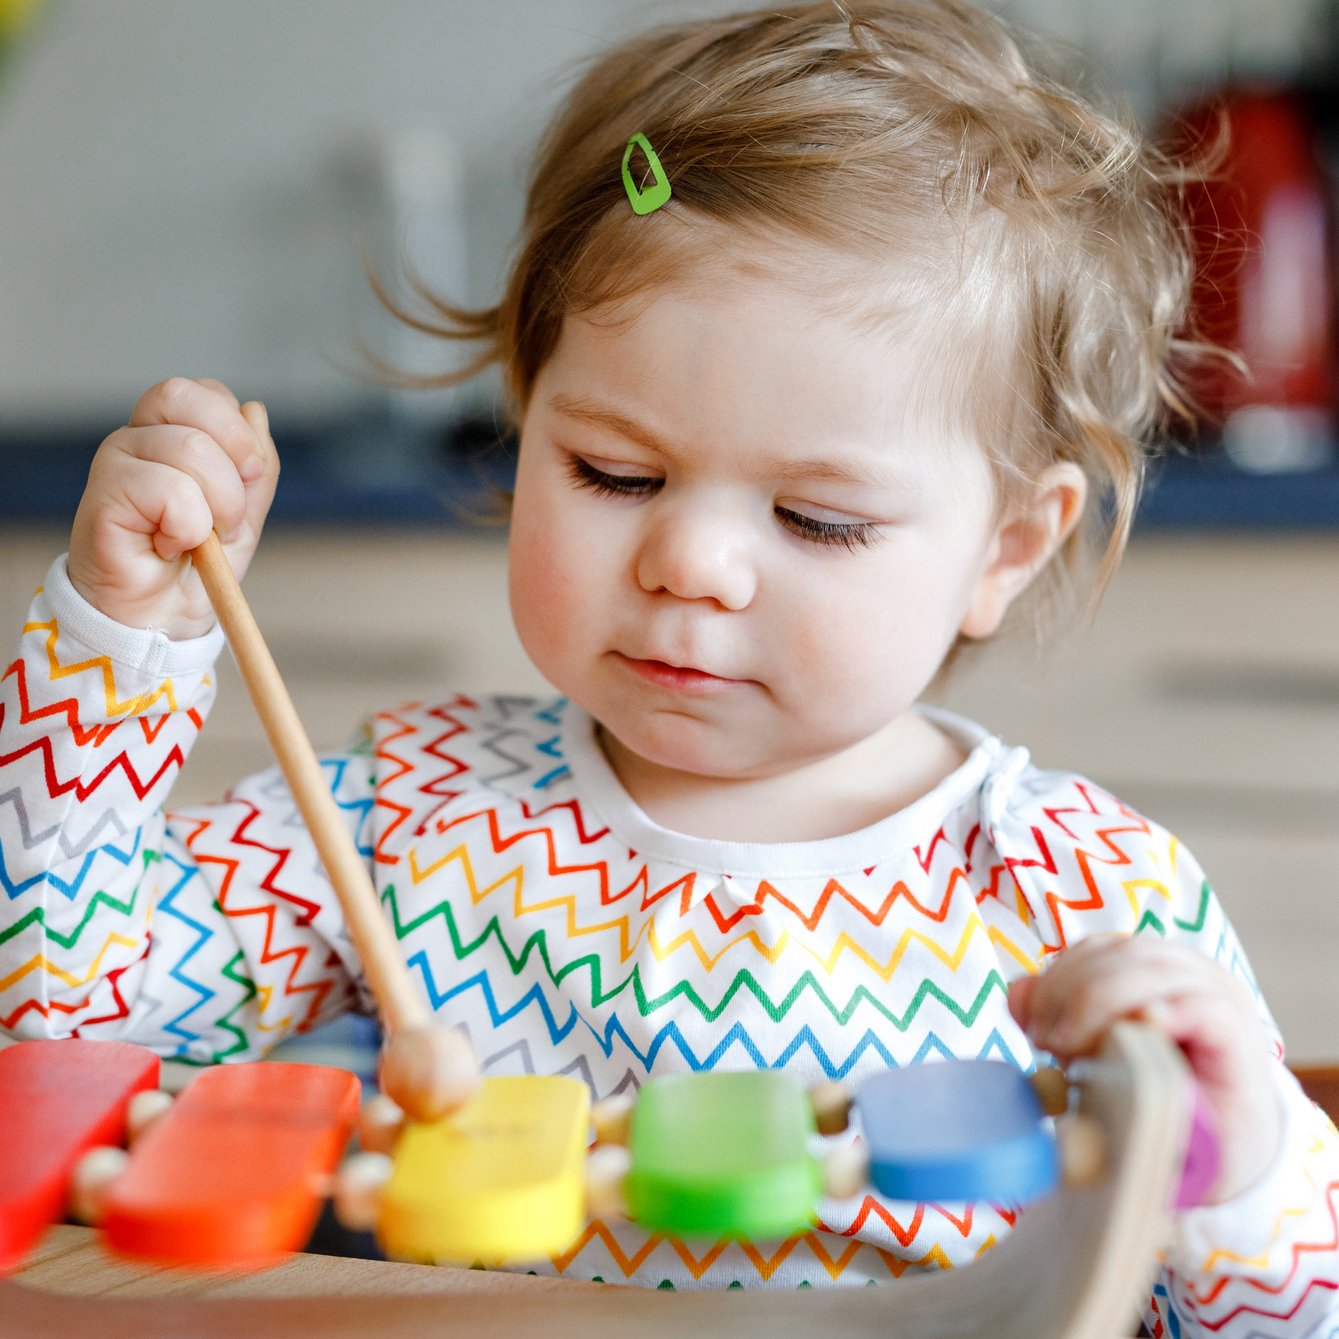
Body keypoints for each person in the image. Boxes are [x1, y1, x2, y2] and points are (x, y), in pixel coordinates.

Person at [1, 0, 1335, 1330]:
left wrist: (1243, 1160)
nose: (690, 561)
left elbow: (1286, 1314)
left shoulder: (1088, 894)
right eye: (613, 471)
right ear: (524, 427)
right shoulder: (407, 815)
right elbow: (59, 1016)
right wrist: (123, 636)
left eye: (817, 517)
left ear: (1009, 545)